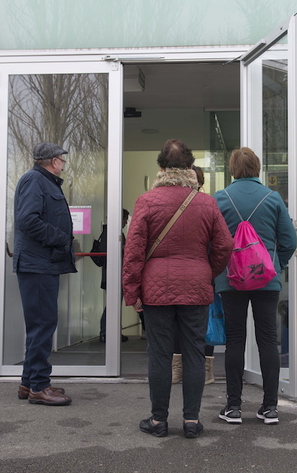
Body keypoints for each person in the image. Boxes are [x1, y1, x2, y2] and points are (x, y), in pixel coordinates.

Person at [123, 139, 233, 439]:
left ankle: (158, 421)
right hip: (195, 287)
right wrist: (206, 271)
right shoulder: (206, 202)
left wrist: (132, 292)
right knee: (194, 353)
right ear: (189, 168)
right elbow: (225, 244)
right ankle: (191, 421)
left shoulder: (146, 201)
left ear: (161, 167)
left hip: (156, 289)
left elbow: (133, 251)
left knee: (159, 353)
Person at [214, 147, 297, 425]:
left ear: (232, 169)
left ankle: (233, 407)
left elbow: (213, 243)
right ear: (258, 168)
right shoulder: (273, 199)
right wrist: (275, 266)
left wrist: (220, 270)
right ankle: (270, 407)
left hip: (231, 280)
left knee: (235, 340)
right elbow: (289, 241)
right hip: (266, 281)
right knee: (267, 340)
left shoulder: (220, 199)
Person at [13, 142, 76, 406]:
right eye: (62, 159)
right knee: (43, 325)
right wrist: (61, 238)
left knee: (40, 324)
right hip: (37, 265)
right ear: (53, 161)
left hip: (42, 264)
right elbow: (27, 220)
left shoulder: (43, 181)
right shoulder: (35, 180)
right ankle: (39, 386)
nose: (63, 163)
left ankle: (29, 383)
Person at [172, 165, 216, 385]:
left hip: (177, 274)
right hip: (203, 273)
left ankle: (178, 371)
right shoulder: (208, 205)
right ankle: (204, 372)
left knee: (178, 323)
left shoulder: (173, 205)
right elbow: (220, 243)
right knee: (204, 325)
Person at [93, 209, 139, 343]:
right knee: (113, 305)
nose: (125, 223)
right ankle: (107, 332)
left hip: (113, 273)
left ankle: (109, 332)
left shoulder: (111, 231)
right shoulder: (113, 232)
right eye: (125, 219)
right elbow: (112, 252)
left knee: (113, 304)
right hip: (114, 274)